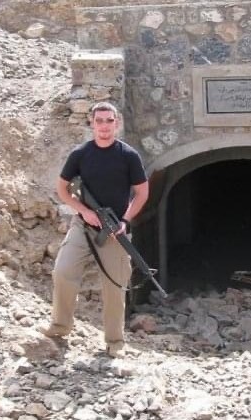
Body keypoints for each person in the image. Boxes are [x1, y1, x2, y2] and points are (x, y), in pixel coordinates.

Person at [40, 102, 149, 358]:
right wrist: (84, 210)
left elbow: (143, 192)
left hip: (115, 232)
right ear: (92, 123)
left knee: (114, 286)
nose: (104, 126)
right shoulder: (80, 154)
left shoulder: (128, 156)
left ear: (116, 123)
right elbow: (62, 188)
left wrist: (124, 220)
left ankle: (114, 342)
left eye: (109, 121)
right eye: (99, 120)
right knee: (63, 271)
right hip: (83, 227)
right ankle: (60, 327)